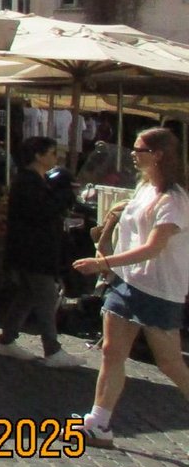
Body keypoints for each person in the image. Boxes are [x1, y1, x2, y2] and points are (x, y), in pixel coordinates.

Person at [71, 127, 189, 449]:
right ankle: (99, 422)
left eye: (139, 150)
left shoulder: (174, 199)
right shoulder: (144, 188)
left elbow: (154, 248)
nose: (133, 155)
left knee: (169, 363)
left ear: (159, 155)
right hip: (127, 282)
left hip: (159, 290)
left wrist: (102, 264)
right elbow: (132, 230)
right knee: (111, 352)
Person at [0, 136, 83, 367]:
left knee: (28, 295)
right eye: (52, 153)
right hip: (33, 250)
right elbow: (41, 211)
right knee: (45, 296)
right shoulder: (27, 182)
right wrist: (64, 196)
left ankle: (7, 339)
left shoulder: (36, 180)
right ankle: (52, 349)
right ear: (38, 155)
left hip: (32, 249)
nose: (56, 158)